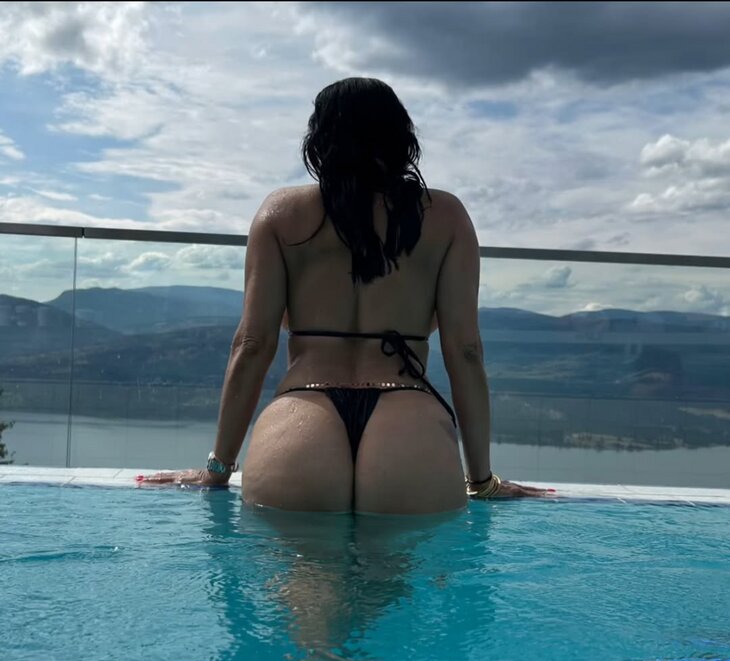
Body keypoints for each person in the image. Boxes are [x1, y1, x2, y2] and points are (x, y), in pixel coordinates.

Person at [139, 77, 550, 511]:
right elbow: (465, 351)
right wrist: (482, 481)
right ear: (402, 137)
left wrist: (217, 469)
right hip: (410, 430)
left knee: (299, 556)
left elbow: (253, 344)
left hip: (300, 425)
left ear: (318, 141)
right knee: (404, 557)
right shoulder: (445, 216)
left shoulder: (281, 214)